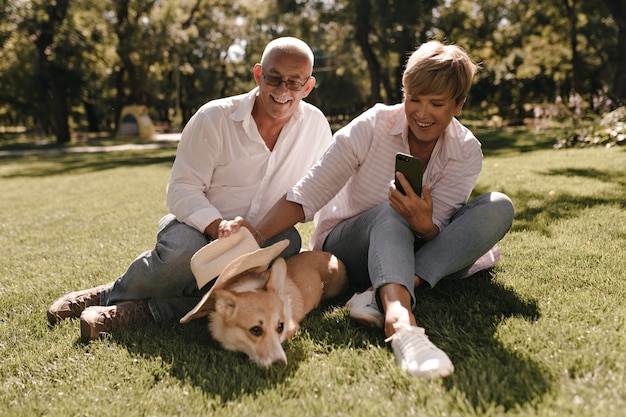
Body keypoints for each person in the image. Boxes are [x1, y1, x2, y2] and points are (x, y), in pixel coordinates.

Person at [221, 40, 514, 379]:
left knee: (499, 206)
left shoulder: (466, 151)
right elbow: (309, 192)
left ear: (458, 105)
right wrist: (254, 234)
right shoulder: (372, 125)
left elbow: (440, 233)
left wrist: (425, 226)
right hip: (349, 250)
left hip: (416, 248)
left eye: (436, 104)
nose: (421, 113)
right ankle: (401, 324)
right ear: (403, 91)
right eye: (413, 99)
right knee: (391, 212)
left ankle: (378, 292)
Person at [47, 37, 333, 341]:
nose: (282, 90)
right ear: (258, 74)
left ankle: (141, 311)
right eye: (274, 78)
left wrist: (260, 235)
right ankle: (110, 295)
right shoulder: (214, 117)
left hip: (269, 235)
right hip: (201, 228)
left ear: (308, 86)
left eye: (293, 82)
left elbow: (318, 191)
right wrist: (218, 226)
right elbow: (182, 189)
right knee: (182, 256)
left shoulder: (316, 126)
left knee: (262, 275)